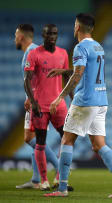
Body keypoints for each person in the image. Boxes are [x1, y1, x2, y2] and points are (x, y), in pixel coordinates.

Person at [44, 13, 112, 198]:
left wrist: (60, 97)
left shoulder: (80, 47)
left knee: (67, 140)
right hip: (101, 101)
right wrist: (65, 70)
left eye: (75, 25)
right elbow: (86, 70)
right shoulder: (98, 47)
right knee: (99, 145)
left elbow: (78, 74)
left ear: (78, 27)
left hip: (85, 101)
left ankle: (62, 189)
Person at [14, 24, 60, 190]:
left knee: (29, 138)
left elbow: (36, 79)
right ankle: (36, 179)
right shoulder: (34, 50)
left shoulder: (32, 52)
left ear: (21, 37)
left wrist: (30, 98)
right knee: (38, 139)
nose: (14, 39)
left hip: (37, 102)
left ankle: (58, 165)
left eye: (15, 36)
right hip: (42, 101)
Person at [23, 24, 69, 190]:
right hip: (40, 106)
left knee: (67, 139)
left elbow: (67, 78)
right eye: (49, 33)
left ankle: (59, 177)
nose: (52, 36)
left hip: (59, 105)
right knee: (40, 142)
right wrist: (33, 102)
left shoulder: (63, 53)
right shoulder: (34, 53)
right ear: (43, 35)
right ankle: (44, 181)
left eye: (55, 33)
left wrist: (72, 99)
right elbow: (26, 80)